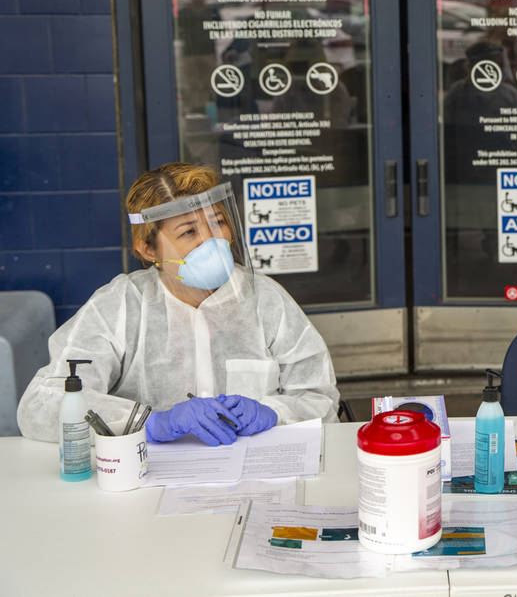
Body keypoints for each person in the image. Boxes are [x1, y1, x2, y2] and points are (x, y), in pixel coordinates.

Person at [18, 163, 339, 446]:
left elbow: (320, 398)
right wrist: (150, 423)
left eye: (218, 223)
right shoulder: (120, 306)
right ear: (148, 249)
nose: (211, 240)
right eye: (188, 231)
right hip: (144, 482)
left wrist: (275, 412)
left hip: (254, 476)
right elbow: (41, 406)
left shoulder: (265, 299)